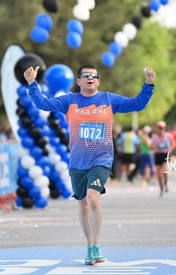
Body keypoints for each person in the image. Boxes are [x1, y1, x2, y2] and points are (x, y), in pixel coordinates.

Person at [24, 63, 156, 265]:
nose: (90, 78)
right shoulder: (69, 101)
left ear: (98, 81)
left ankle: (95, 245)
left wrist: (148, 84)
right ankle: (89, 245)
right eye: (85, 75)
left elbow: (137, 104)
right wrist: (32, 84)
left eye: (94, 76)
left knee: (93, 198)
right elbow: (43, 104)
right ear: (78, 81)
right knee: (83, 204)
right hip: (77, 162)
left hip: (101, 159)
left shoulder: (109, 99)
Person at [151, 121, 174, 196]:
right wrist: (154, 146)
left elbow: (173, 143)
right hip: (158, 154)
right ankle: (161, 188)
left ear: (164, 128)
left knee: (165, 170)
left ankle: (166, 183)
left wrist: (170, 149)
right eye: (159, 128)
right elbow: (151, 147)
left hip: (165, 154)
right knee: (159, 173)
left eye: (162, 128)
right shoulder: (154, 136)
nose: (160, 130)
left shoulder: (168, 135)